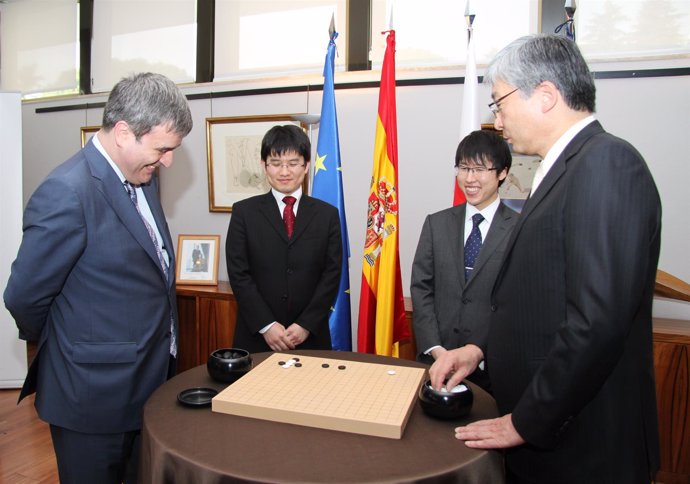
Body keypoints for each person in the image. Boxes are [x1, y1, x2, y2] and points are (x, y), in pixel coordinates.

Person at [432, 34, 661, 483]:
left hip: (582, 444)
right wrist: (480, 350)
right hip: (552, 438)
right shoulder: (562, 168)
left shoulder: (607, 164)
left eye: (499, 103)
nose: (497, 120)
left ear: (545, 95)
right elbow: (544, 300)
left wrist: (524, 421)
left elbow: (596, 322)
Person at [4, 72, 193, 484]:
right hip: (91, 397)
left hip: (146, 385)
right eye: (163, 148)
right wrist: (71, 345)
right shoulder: (67, 192)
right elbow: (24, 297)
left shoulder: (143, 178)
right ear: (124, 132)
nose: (168, 161)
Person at [411, 129, 517, 392]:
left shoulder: (520, 229)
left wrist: (479, 350)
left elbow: (517, 302)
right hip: (434, 362)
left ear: (502, 172)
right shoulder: (436, 224)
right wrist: (436, 349)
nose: (470, 178)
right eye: (464, 168)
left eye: (480, 169)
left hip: (492, 367)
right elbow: (421, 288)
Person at [226, 125, 342, 353]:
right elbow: (239, 274)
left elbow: (332, 273)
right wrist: (266, 325)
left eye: (293, 163)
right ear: (264, 166)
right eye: (276, 163)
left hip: (311, 337)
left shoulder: (327, 214)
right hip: (257, 336)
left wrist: (305, 324)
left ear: (307, 165)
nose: (284, 172)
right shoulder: (244, 212)